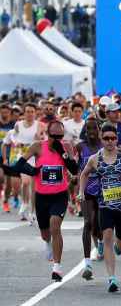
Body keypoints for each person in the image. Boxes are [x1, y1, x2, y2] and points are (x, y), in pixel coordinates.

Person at [78, 124, 121, 292]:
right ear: (102, 139)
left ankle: (117, 248)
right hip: (105, 205)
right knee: (107, 238)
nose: (109, 141)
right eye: (106, 138)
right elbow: (84, 174)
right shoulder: (95, 158)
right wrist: (81, 192)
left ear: (117, 139)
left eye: (113, 138)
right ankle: (112, 278)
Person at [13, 120, 79, 281]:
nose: (56, 139)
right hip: (41, 196)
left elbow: (74, 169)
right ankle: (47, 242)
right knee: (45, 233)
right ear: (47, 134)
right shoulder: (37, 146)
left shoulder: (67, 146)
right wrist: (33, 170)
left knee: (55, 226)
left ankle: (57, 267)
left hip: (59, 195)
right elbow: (18, 165)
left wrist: (62, 153)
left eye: (60, 136)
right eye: (53, 136)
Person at [76, 118, 103, 280]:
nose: (91, 131)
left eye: (94, 128)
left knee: (98, 225)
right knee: (88, 223)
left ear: (99, 129)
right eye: (88, 129)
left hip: (103, 191)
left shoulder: (104, 146)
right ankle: (87, 264)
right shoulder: (80, 147)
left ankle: (99, 243)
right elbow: (75, 167)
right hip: (86, 190)